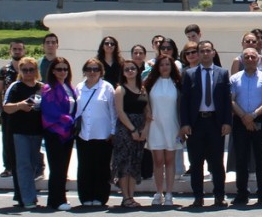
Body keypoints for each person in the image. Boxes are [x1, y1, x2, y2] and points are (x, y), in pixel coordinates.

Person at [179, 40, 232, 208]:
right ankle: (198, 197)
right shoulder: (189, 74)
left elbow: (226, 100)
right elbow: (184, 101)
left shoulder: (222, 73)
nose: (205, 54)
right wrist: (185, 123)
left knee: (217, 162)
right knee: (196, 163)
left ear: (214, 53)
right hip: (196, 123)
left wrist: (227, 122)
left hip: (215, 122)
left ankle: (219, 196)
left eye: (208, 51)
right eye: (201, 51)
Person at [229, 47, 262, 206]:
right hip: (240, 122)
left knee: (261, 160)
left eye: (253, 57)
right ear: (241, 59)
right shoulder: (234, 79)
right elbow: (231, 100)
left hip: (259, 120)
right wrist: (244, 117)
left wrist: (253, 116)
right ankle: (242, 193)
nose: (249, 60)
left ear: (258, 59)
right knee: (241, 159)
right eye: (246, 57)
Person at [72, 58, 115, 208]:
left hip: (103, 134)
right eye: (89, 69)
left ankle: (100, 197)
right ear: (84, 71)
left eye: (95, 69)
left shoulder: (107, 88)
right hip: (84, 134)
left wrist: (113, 130)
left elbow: (113, 110)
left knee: (102, 167)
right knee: (84, 167)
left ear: (101, 72)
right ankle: (85, 196)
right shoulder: (79, 87)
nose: (92, 72)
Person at [2, 57, 44, 208]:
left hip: (37, 132)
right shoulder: (15, 87)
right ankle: (28, 199)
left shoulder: (42, 87)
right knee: (24, 165)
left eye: (31, 70)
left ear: (36, 71)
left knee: (33, 165)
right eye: (24, 70)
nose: (28, 73)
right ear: (20, 71)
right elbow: (6, 107)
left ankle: (25, 195)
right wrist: (20, 105)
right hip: (19, 132)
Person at [41, 58, 78, 211]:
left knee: (63, 168)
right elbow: (50, 112)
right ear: (53, 71)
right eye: (59, 69)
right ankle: (57, 200)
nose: (63, 72)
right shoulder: (48, 88)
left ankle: (58, 198)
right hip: (55, 133)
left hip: (68, 133)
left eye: (65, 69)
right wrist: (69, 120)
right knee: (56, 168)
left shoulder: (70, 87)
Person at [144, 55, 182, 206]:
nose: (165, 67)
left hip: (173, 126)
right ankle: (158, 192)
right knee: (158, 160)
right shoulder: (149, 83)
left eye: (168, 64)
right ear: (157, 67)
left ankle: (169, 194)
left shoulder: (178, 83)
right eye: (162, 65)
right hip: (155, 126)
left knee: (170, 160)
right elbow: (145, 104)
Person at [113, 60, 150, 208]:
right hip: (125, 129)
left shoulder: (142, 89)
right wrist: (133, 130)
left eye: (132, 68)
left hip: (140, 129)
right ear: (123, 72)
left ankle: (131, 196)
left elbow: (148, 110)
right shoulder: (120, 89)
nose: (130, 71)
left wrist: (145, 129)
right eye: (127, 69)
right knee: (124, 163)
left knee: (135, 163)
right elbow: (120, 112)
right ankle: (125, 197)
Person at [0, 41, 27, 178]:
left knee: (25, 139)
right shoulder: (4, 71)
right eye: (14, 49)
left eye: (20, 49)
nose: (17, 51)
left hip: (25, 110)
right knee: (7, 139)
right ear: (10, 51)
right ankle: (8, 167)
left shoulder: (28, 68)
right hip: (8, 110)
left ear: (24, 51)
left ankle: (24, 166)